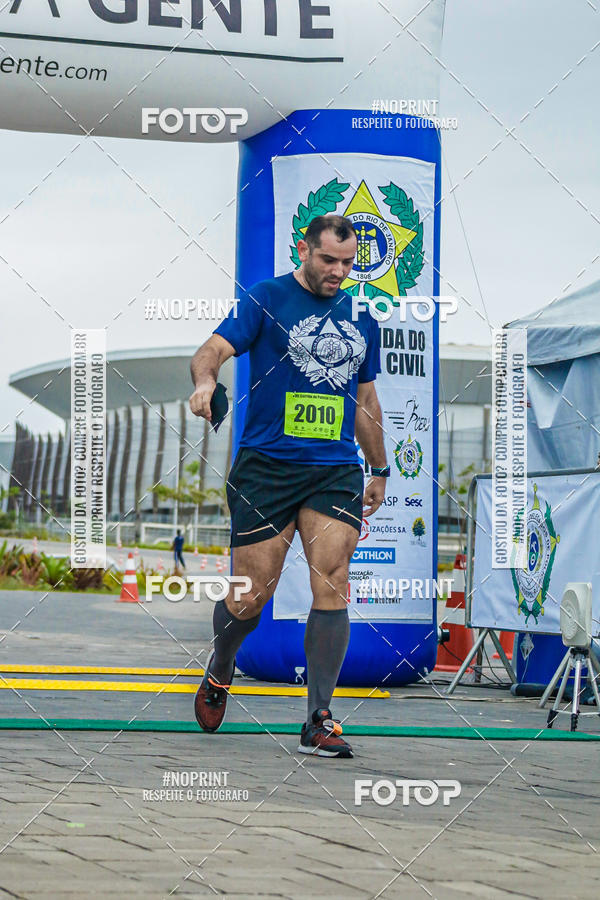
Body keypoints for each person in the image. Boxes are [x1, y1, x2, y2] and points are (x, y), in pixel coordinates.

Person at [189, 215, 389, 758]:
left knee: (334, 578)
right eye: (329, 260)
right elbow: (211, 350)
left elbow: (365, 401)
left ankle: (318, 718)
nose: (339, 272)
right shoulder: (266, 297)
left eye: (348, 263)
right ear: (304, 250)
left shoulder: (360, 316)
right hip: (267, 467)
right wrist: (206, 381)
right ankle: (222, 663)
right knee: (252, 594)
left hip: (332, 467)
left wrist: (379, 467)